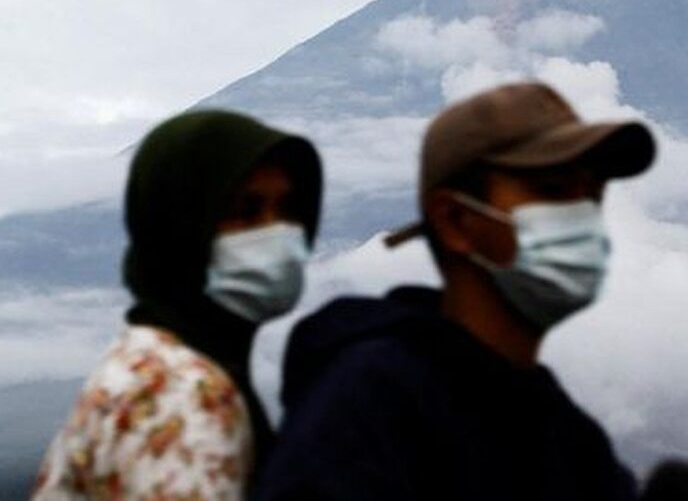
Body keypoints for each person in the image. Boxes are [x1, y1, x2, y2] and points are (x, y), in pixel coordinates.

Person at [258, 82, 655, 501]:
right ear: (454, 221)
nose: (582, 217)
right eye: (553, 190)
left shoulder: (566, 433)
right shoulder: (370, 405)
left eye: (593, 196)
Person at [33, 110, 322, 500]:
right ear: (181, 227)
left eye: (288, 209)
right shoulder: (184, 400)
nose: (277, 232)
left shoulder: (143, 363)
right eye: (246, 211)